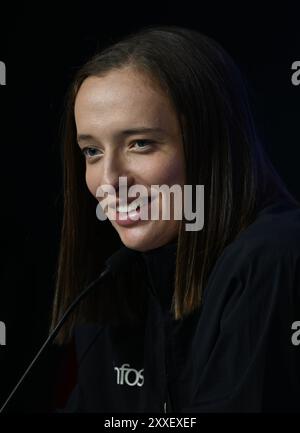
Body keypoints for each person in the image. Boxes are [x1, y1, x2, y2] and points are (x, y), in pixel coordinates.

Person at [50, 25, 300, 412]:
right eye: (92, 151)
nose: (109, 182)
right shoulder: (116, 278)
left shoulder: (274, 254)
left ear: (211, 145)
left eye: (141, 144)